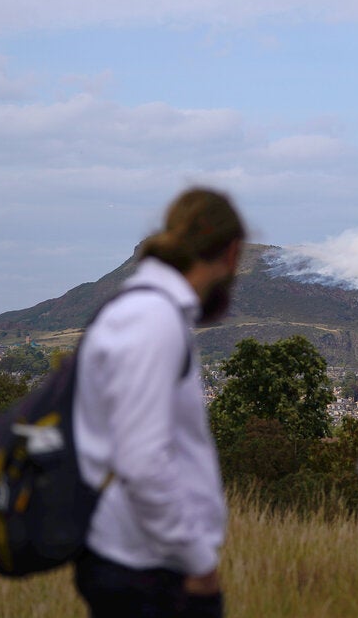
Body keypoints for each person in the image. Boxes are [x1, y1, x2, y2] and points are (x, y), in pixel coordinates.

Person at [72, 187, 245, 617]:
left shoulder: (141, 308)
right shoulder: (155, 318)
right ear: (232, 254)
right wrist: (198, 561)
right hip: (147, 567)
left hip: (134, 558)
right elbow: (142, 459)